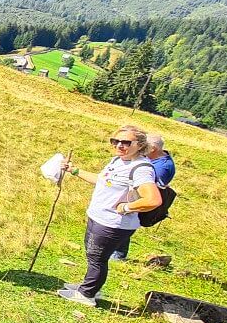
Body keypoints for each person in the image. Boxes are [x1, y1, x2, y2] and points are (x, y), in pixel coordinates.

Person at [58, 125, 162, 306]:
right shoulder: (117, 161)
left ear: (140, 145)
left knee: (97, 257)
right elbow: (101, 180)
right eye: (116, 141)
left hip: (113, 223)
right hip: (99, 217)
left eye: (126, 142)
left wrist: (127, 207)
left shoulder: (141, 168)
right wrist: (74, 170)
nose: (120, 145)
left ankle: (87, 294)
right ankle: (89, 286)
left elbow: (153, 200)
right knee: (93, 255)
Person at [110, 134, 175, 260]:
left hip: (140, 200)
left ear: (153, 149)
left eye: (145, 146)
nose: (141, 149)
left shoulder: (163, 167)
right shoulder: (154, 159)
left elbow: (152, 187)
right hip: (132, 196)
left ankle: (118, 254)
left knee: (126, 222)